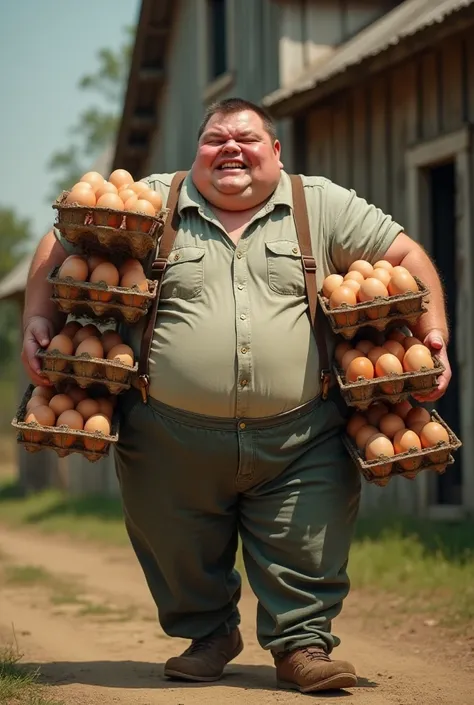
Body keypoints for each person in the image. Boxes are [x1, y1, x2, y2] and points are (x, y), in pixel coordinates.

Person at [22, 98, 451, 695]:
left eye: (246, 138)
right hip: (169, 432)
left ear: (275, 151)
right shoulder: (150, 202)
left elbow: (405, 256)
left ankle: (302, 645)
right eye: (214, 139)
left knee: (307, 537)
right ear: (195, 153)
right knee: (177, 546)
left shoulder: (319, 204)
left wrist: (435, 333)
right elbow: (59, 244)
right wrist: (35, 320)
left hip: (300, 434)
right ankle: (209, 635)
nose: (230, 148)